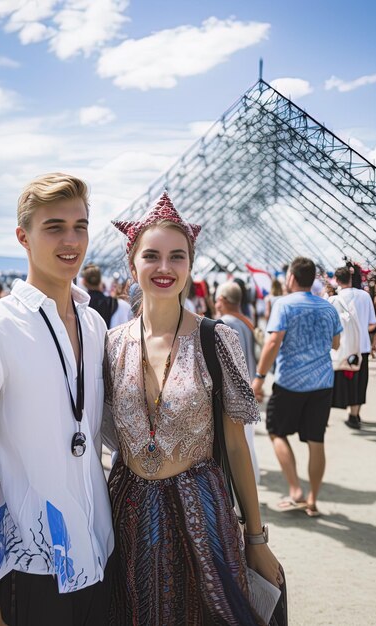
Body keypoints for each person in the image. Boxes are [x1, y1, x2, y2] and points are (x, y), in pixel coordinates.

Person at [0, 173, 114, 626]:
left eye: (81, 225)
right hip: (31, 567)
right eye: (54, 227)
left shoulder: (94, 325)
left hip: (100, 552)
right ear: (24, 237)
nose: (71, 239)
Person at [106, 193, 281, 625]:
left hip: (201, 513)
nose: (164, 268)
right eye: (152, 256)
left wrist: (255, 539)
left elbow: (237, 448)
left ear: (190, 265)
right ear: (133, 265)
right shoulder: (110, 345)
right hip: (125, 513)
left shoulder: (215, 339)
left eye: (176, 257)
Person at [252, 257, 342, 518]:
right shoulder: (327, 308)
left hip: (290, 381)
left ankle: (295, 490)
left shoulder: (284, 304)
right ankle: (313, 499)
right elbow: (336, 344)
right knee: (316, 440)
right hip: (323, 382)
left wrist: (259, 377)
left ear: (291, 277)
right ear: (312, 278)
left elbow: (272, 343)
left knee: (276, 431)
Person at [215, 280, 260, 483]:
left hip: (232, 394)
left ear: (222, 300)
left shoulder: (224, 324)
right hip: (247, 388)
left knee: (236, 446)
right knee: (247, 443)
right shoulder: (245, 321)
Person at [329, 267, 376, 429]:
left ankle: (328, 412)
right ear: (350, 278)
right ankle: (354, 415)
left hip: (342, 348)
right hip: (362, 346)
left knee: (341, 381)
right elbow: (372, 324)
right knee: (360, 382)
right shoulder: (364, 296)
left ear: (336, 279)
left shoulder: (334, 300)